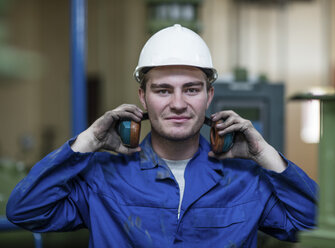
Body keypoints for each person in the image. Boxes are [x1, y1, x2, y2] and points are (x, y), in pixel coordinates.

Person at [6, 24, 317, 248]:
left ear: (209, 96)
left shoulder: (246, 181)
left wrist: (266, 156)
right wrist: (86, 142)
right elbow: (26, 210)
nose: (178, 103)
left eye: (191, 89)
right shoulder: (102, 178)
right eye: (163, 90)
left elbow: (314, 225)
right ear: (143, 97)